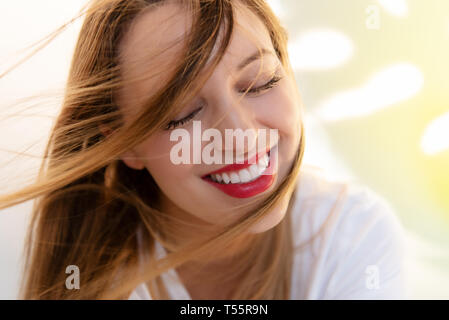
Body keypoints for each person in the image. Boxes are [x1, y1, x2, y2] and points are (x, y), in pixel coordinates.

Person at [0, 0, 406, 300]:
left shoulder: (354, 236)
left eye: (261, 81)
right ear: (122, 142)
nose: (240, 135)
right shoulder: (92, 282)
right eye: (182, 114)